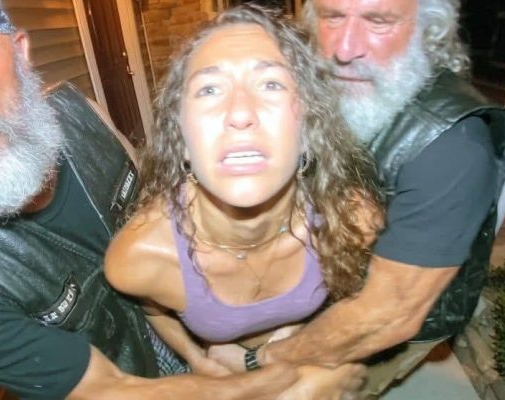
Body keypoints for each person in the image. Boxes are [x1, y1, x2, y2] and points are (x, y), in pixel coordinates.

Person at [0, 1, 363, 399]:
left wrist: (215, 342)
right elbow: (113, 391)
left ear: (20, 53)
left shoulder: (81, 112)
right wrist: (287, 382)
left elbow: (159, 200)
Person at [210, 0, 505, 397]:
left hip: (377, 321)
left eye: (378, 21)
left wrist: (259, 360)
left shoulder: (454, 147)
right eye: (332, 16)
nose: (344, 48)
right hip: (329, 276)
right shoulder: (339, 84)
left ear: (427, 29)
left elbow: (385, 316)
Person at [105, 3, 381, 380]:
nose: (239, 113)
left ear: (309, 128)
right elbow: (153, 310)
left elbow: (363, 303)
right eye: (209, 89)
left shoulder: (353, 221)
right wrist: (196, 357)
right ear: (181, 140)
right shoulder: (140, 258)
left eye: (270, 84)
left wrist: (293, 342)